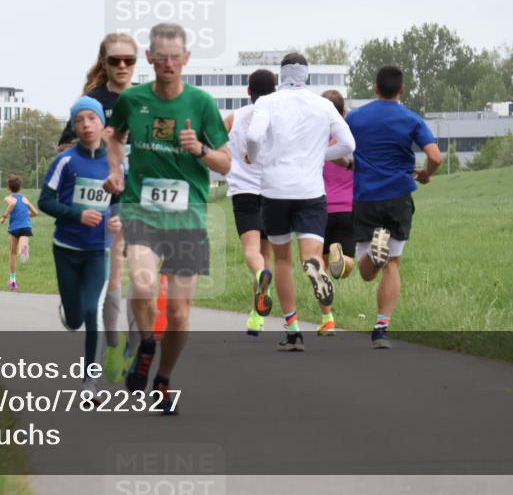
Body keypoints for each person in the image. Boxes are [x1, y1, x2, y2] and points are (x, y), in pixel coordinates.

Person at [104, 22, 231, 415]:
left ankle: (163, 378)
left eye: (176, 58)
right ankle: (146, 344)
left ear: (186, 59)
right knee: (142, 285)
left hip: (188, 215)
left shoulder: (202, 104)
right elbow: (113, 136)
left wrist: (199, 151)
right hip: (142, 209)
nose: (169, 65)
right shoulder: (133, 100)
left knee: (178, 312)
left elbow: (226, 164)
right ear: (151, 59)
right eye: (162, 58)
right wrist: (115, 171)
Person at [245, 53, 355, 351]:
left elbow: (254, 135)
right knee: (311, 256)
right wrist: (321, 155)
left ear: (282, 75)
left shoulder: (268, 102)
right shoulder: (323, 105)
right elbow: (349, 145)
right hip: (310, 191)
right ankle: (316, 269)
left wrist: (255, 156)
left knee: (282, 260)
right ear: (307, 75)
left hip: (276, 190)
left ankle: (293, 329)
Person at [58, 32, 138, 383]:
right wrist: (94, 139)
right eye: (115, 60)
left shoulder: (146, 100)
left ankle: (137, 353)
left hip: (145, 196)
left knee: (144, 278)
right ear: (104, 63)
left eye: (129, 60)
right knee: (117, 277)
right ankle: (111, 352)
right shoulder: (93, 101)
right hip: (107, 199)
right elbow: (62, 148)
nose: (122, 66)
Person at [345, 65, 442, 349]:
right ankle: (381, 329)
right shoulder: (411, 119)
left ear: (375, 88)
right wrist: (426, 174)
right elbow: (435, 156)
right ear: (402, 89)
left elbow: (340, 149)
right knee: (393, 264)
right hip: (398, 197)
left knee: (366, 273)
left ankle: (375, 251)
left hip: (365, 197)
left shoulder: (356, 118)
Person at [39, 96, 123, 401]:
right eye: (79, 120)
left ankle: (91, 383)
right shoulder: (65, 161)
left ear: (102, 123)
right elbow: (44, 201)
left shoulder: (116, 164)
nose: (86, 125)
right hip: (66, 248)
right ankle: (67, 310)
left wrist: (117, 221)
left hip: (98, 251)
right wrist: (76, 214)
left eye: (91, 118)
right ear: (74, 127)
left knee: (92, 311)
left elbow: (121, 203)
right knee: (75, 318)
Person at [223, 69, 277, 336]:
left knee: (251, 251)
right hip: (272, 190)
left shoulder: (235, 116)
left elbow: (214, 138)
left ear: (248, 91)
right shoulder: (278, 118)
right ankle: (257, 318)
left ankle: (259, 278)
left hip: (243, 190)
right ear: (275, 91)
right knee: (265, 253)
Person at [320, 90, 358, 335]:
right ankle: (342, 259)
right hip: (349, 207)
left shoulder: (315, 142)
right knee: (348, 263)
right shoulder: (352, 141)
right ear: (343, 112)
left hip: (320, 209)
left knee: (319, 267)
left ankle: (328, 318)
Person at [0, 175, 39, 290]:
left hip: (14, 228)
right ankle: (24, 250)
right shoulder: (24, 198)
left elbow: (12, 204)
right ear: (20, 187)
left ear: (8, 188)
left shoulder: (9, 197)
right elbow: (35, 212)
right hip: (26, 226)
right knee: (24, 240)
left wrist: (4, 216)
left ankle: (12, 282)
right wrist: (27, 215)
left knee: (12, 254)